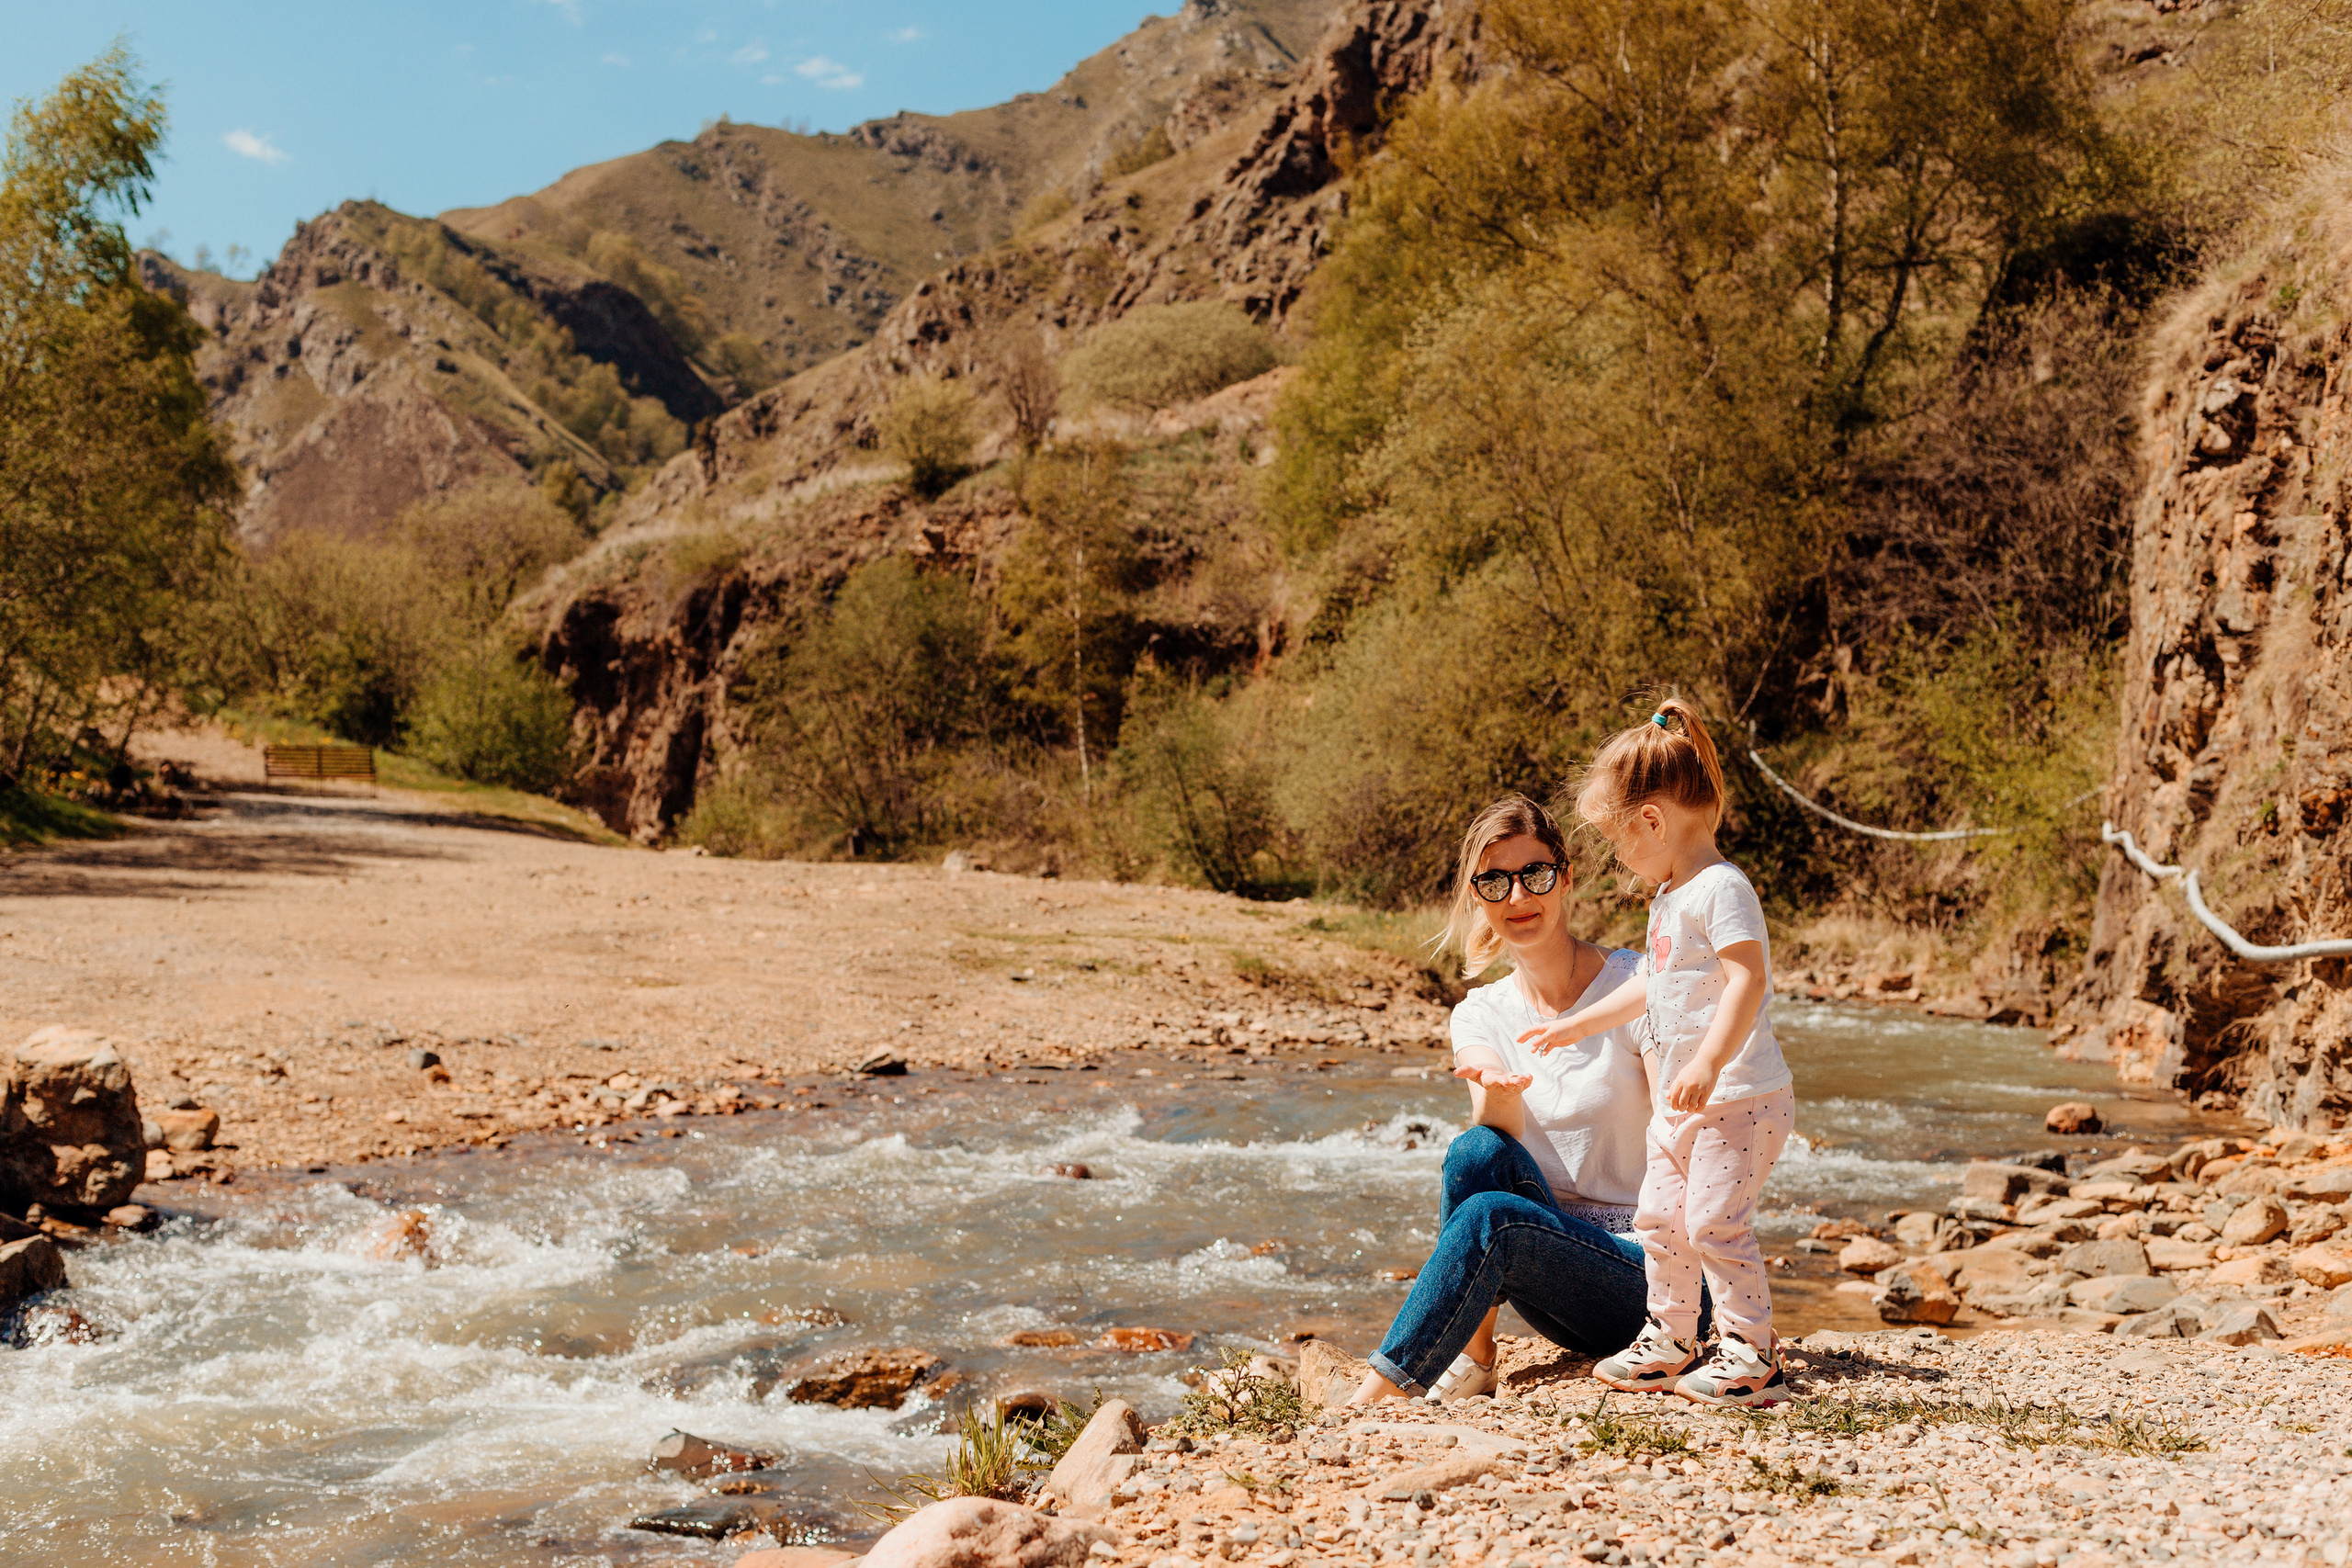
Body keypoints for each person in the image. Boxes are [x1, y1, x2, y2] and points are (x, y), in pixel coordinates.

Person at [1518, 698, 1795, 1408]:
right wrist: (1578, 1023)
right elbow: (1651, 985)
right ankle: (1669, 1337)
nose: (1618, 855)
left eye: (1617, 838)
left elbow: (1748, 978)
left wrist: (1706, 1061)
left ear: (1652, 819)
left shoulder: (1721, 888)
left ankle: (1751, 1352)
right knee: (1659, 1219)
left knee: (1713, 1222)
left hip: (1737, 1095)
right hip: (1683, 1100)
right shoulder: (1670, 897)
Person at [1347, 795, 1658, 1408]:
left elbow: (1688, 1125)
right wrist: (1495, 1091)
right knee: (1476, 1149)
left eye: (1535, 874)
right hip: (1558, 1280)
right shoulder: (1481, 1012)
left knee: (1494, 1219)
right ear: (1477, 896)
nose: (1518, 898)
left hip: (1654, 1281)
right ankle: (1477, 1353)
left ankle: (1372, 1399)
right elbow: (1494, 1150)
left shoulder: (1633, 986)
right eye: (1495, 881)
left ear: (1566, 877)